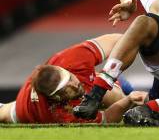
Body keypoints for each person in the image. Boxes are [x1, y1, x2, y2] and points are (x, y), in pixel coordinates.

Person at [0, 34, 148, 124]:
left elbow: (119, 40)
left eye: (69, 77)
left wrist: (143, 49)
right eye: (66, 87)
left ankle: (121, 87)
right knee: (3, 115)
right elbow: (106, 119)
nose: (75, 84)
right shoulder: (62, 113)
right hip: (26, 109)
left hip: (49, 86)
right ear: (57, 97)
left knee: (115, 96)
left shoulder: (70, 60)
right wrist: (128, 101)